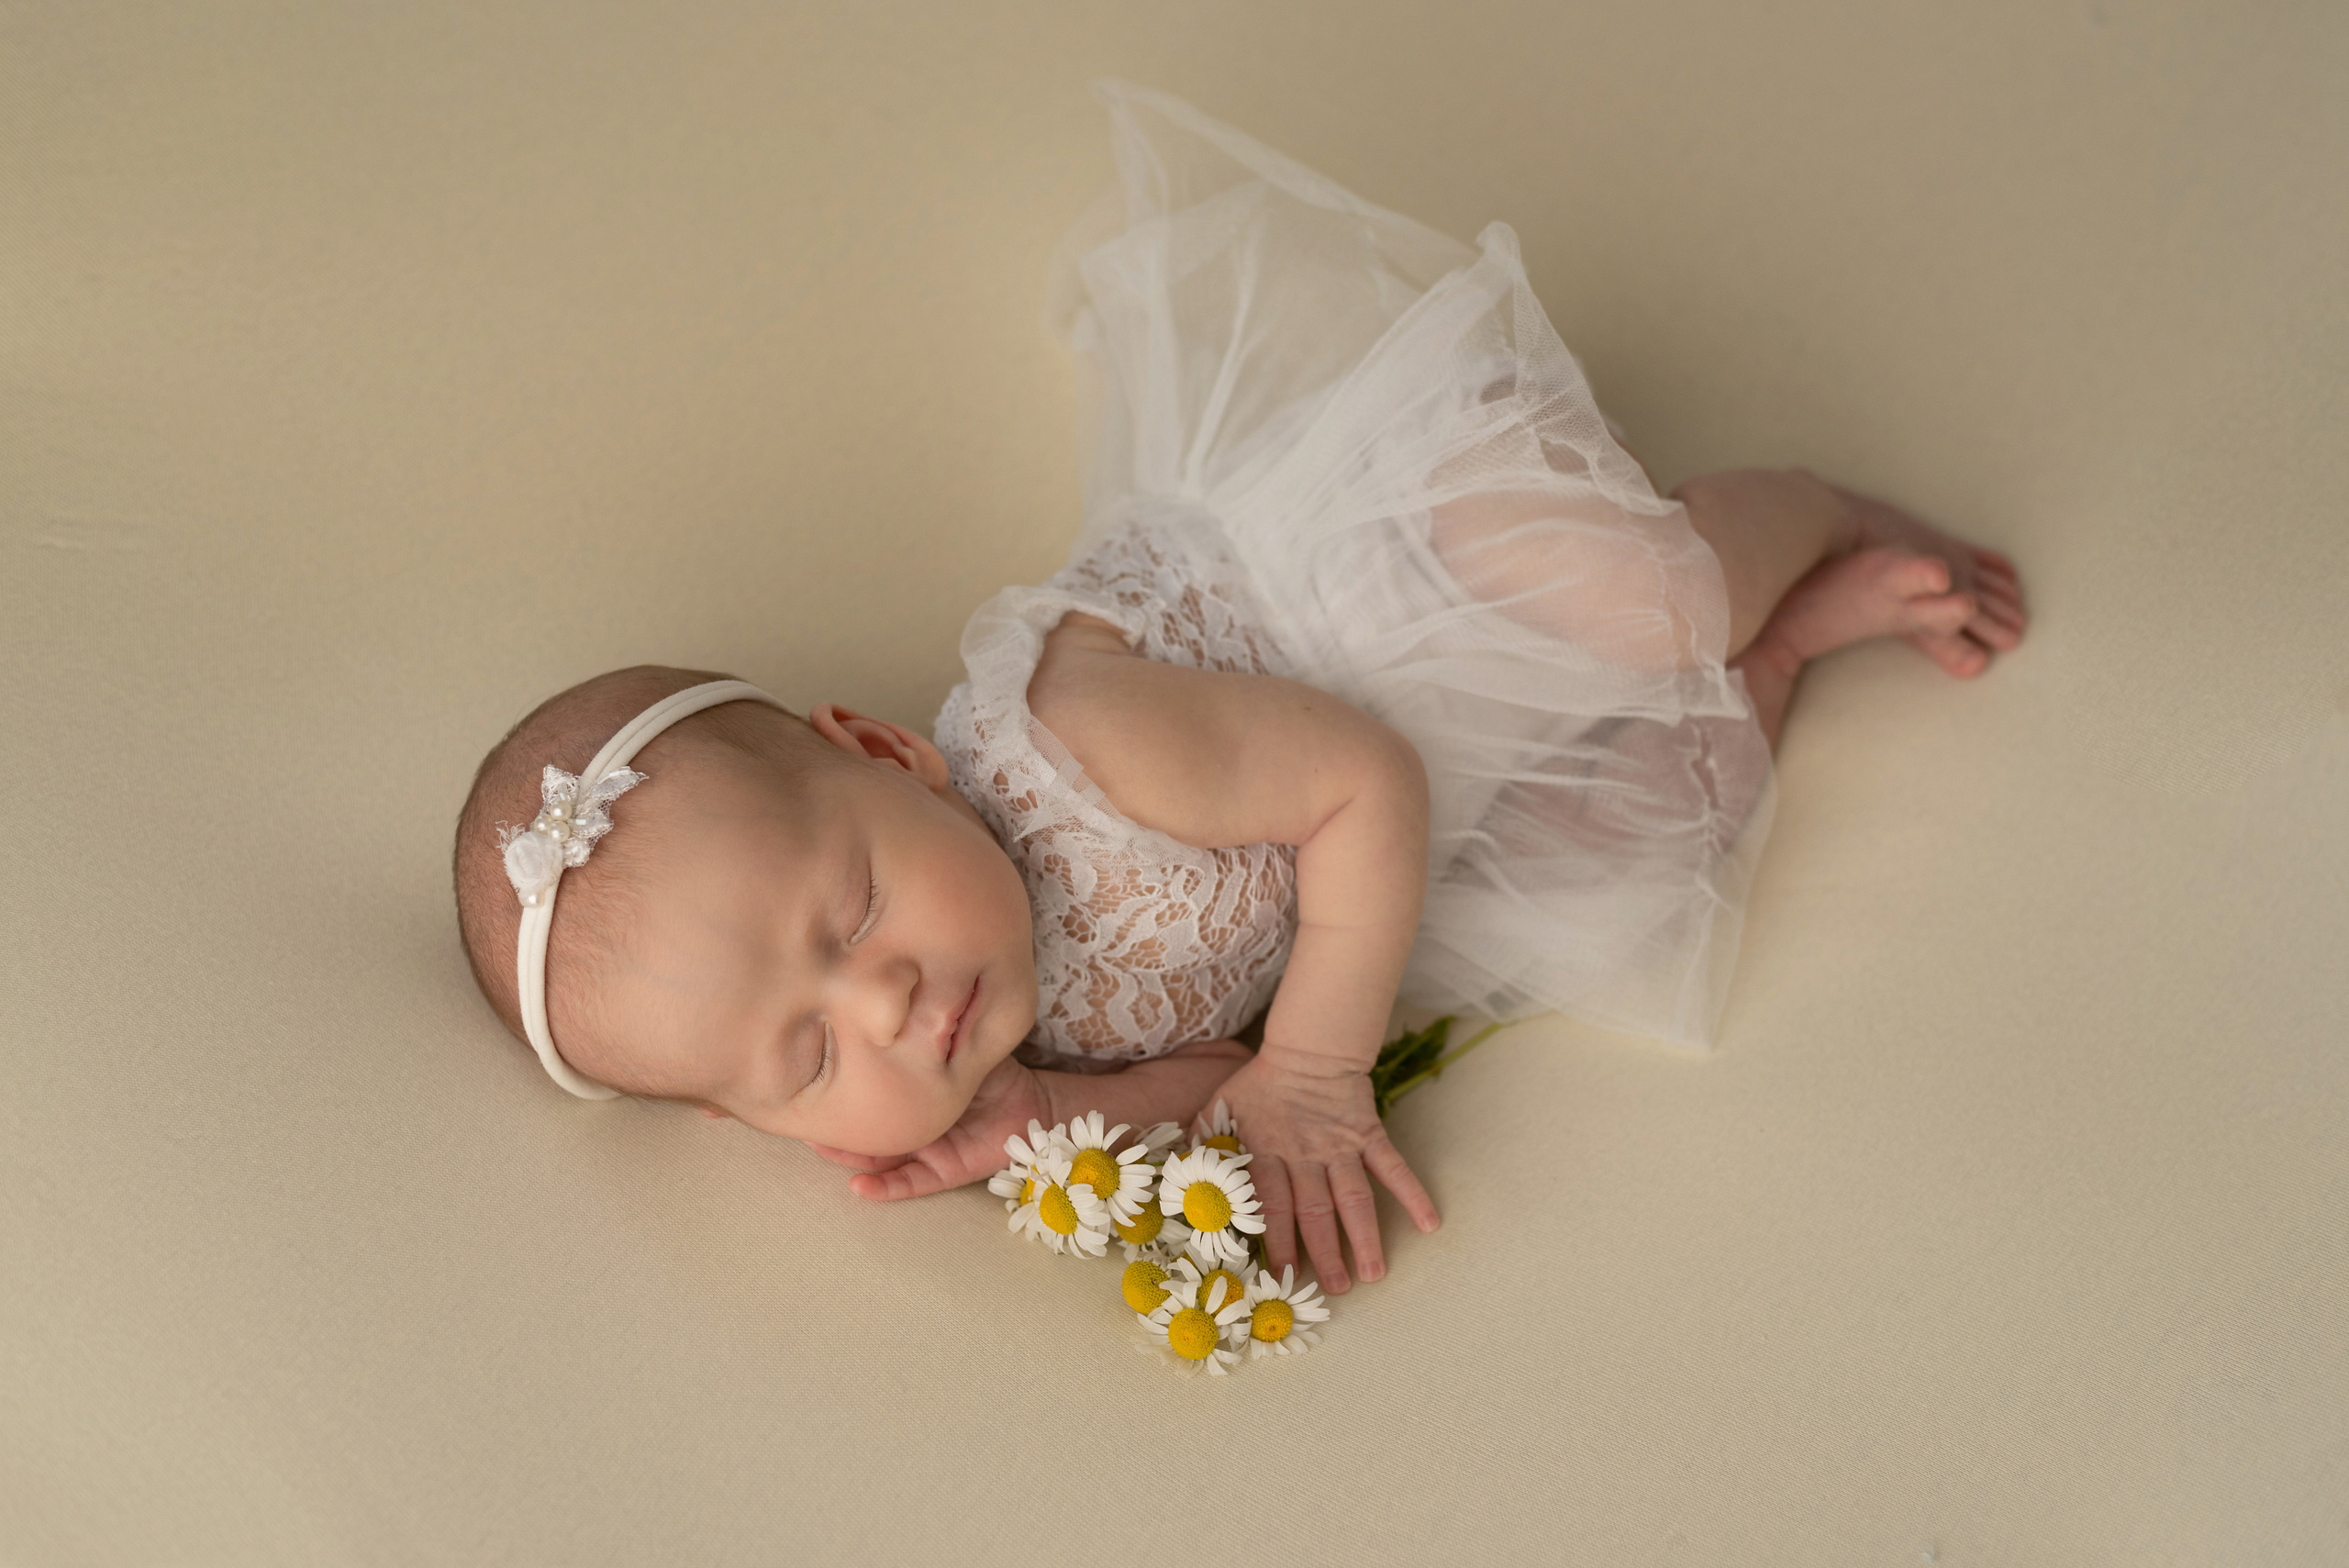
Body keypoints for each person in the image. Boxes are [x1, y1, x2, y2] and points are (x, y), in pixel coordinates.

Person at [452, 83, 2026, 1297]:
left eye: (853, 910)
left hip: (1394, 590)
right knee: (1619, 869)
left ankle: (1796, 516)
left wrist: (1326, 1070)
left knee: (1631, 601)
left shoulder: (1074, 744)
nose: (883, 1006)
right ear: (763, 1129)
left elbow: (1365, 785)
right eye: (806, 1059)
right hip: (1374, 852)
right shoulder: (994, 1060)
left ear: (885, 754)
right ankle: (1787, 649)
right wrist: (1078, 1131)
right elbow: (1225, 1075)